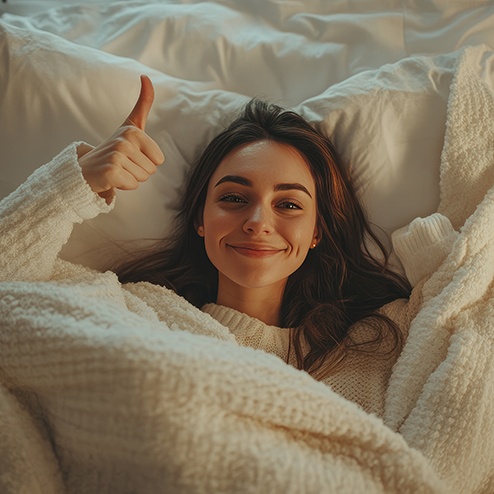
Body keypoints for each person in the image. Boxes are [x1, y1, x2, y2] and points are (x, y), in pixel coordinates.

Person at [3, 75, 452, 418]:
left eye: (289, 204)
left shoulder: (379, 341)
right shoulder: (136, 311)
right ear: (201, 219)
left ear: (317, 232)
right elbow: (9, 292)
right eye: (234, 198)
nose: (258, 222)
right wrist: (75, 183)